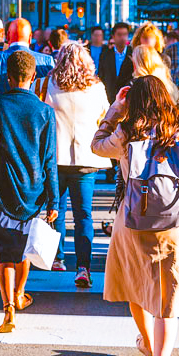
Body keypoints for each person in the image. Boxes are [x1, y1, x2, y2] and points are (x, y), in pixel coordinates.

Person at [92, 75, 179, 356]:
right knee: (166, 304)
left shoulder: (128, 132)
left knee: (136, 286)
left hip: (133, 223)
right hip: (174, 225)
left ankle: (145, 342)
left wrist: (115, 110)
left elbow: (96, 146)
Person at [0, 50, 58, 333]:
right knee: (23, 248)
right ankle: (20, 294)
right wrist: (54, 199)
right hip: (33, 190)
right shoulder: (45, 112)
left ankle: (8, 307)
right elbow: (49, 160)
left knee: (3, 250)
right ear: (34, 77)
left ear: (7, 77)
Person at [42, 42, 111, 281]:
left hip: (56, 158)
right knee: (84, 214)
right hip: (85, 159)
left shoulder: (48, 84)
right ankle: (84, 267)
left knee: (56, 211)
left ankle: (58, 258)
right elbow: (106, 116)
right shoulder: (96, 87)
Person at [97, 22, 134, 103]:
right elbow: (101, 76)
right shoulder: (105, 55)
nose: (122, 38)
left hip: (127, 98)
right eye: (119, 35)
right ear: (113, 36)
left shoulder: (133, 53)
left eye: (125, 34)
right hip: (109, 98)